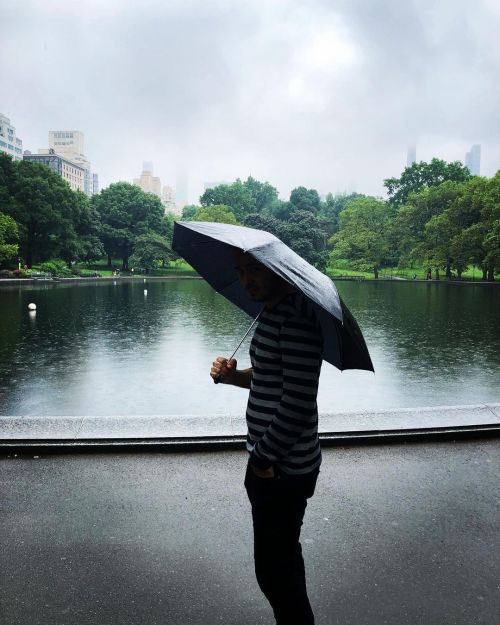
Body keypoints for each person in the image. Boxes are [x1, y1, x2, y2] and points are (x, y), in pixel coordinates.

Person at [211, 249, 323, 625]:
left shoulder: (294, 320)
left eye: (254, 271)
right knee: (283, 564)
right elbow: (269, 379)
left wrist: (261, 460)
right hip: (272, 463)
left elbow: (298, 401)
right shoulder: (273, 314)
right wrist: (233, 376)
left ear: (277, 270)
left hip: (281, 469)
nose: (246, 281)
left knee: (275, 574)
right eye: (241, 272)